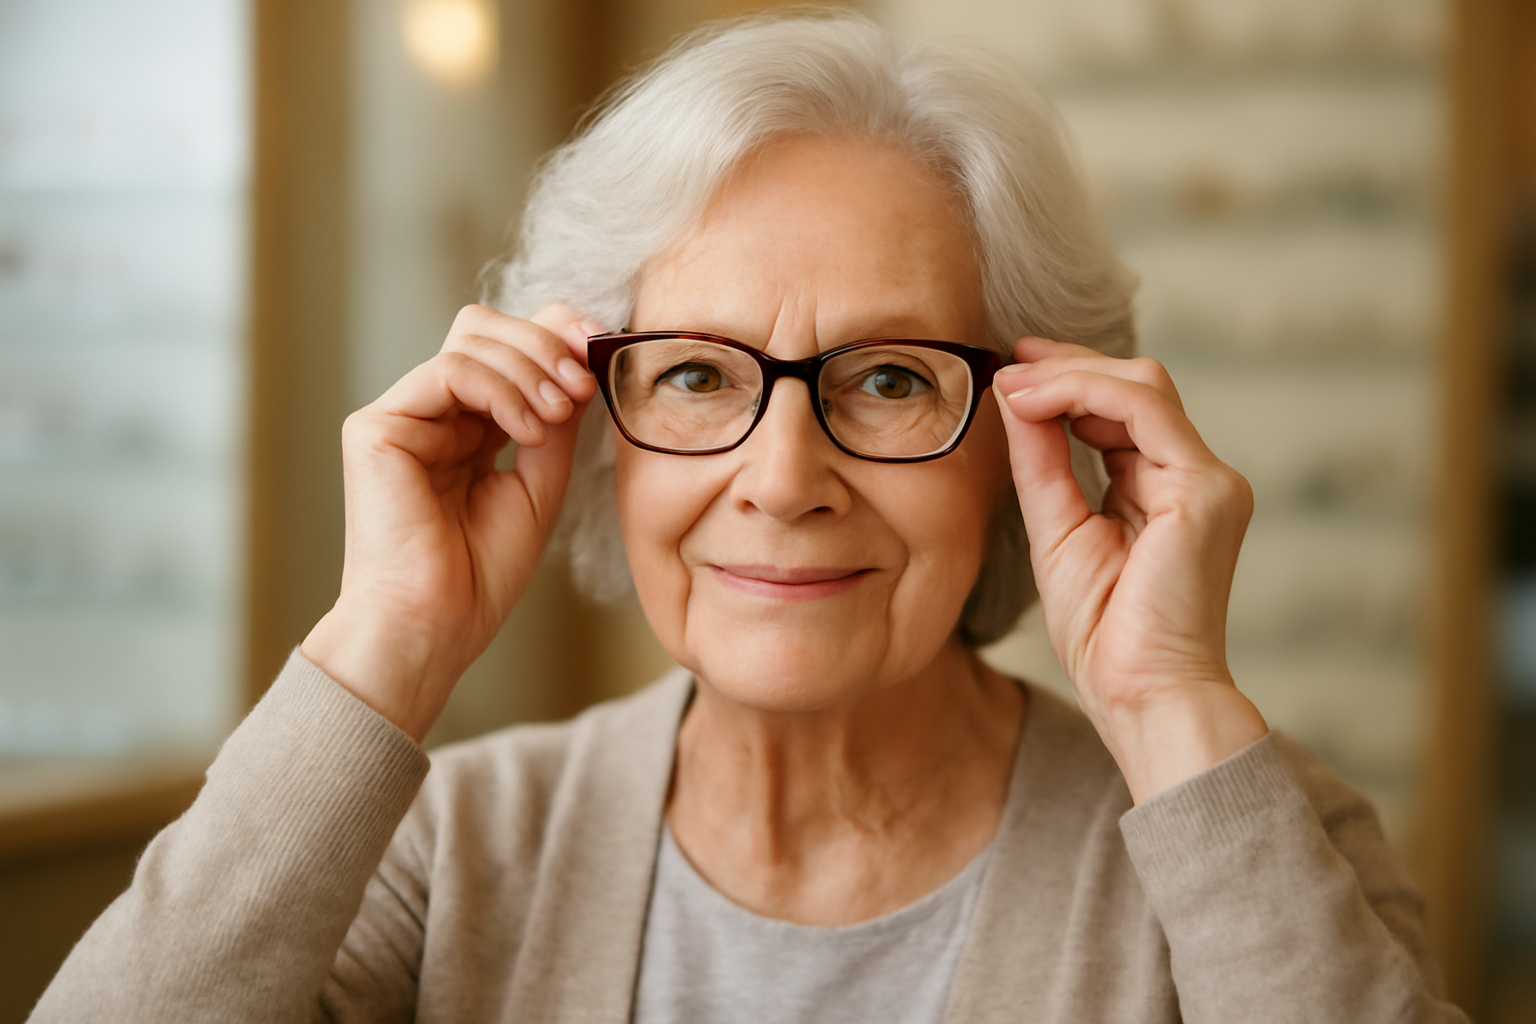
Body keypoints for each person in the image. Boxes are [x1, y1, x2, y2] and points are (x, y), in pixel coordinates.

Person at [32, 12, 1465, 1023]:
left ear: (1040, 439)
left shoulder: (1259, 849)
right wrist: (384, 642)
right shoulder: (459, 848)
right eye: (701, 376)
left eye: (894, 378)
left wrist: (1168, 701)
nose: (782, 478)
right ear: (590, 426)